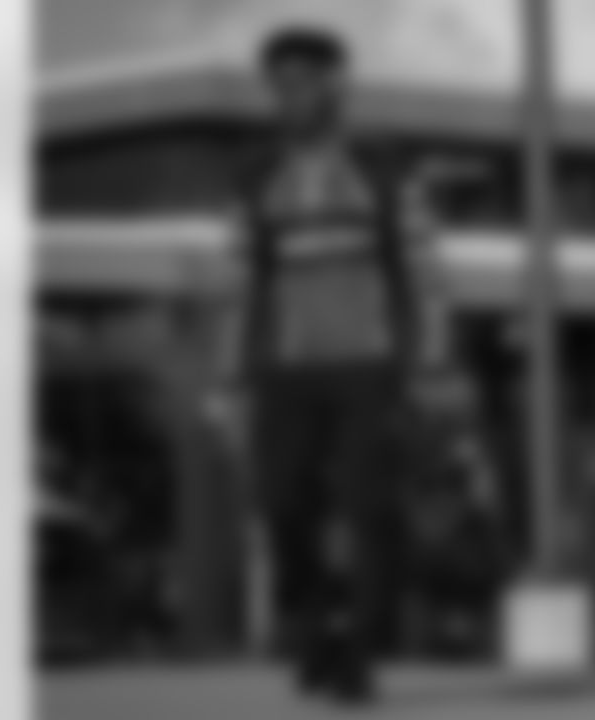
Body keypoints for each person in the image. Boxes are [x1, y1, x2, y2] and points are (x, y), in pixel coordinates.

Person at [225, 24, 450, 704]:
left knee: (369, 510)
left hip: (368, 365)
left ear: (334, 87)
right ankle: (316, 630)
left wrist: (431, 361)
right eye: (277, 84)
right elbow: (243, 284)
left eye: (301, 81)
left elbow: (425, 271)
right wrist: (229, 377)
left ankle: (358, 653)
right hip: (287, 369)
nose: (287, 96)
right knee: (281, 504)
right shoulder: (258, 177)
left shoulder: (383, 171)